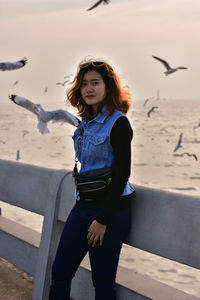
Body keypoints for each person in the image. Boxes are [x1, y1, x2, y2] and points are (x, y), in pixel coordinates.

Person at [49, 58, 135, 300]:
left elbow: (122, 174)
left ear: (108, 86)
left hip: (110, 211)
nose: (89, 88)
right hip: (83, 206)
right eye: (84, 83)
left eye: (95, 83)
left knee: (102, 281)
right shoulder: (85, 124)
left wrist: (103, 219)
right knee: (60, 271)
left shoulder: (118, 123)